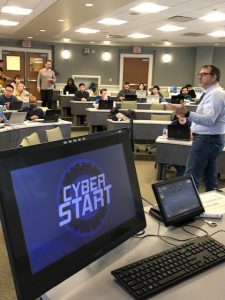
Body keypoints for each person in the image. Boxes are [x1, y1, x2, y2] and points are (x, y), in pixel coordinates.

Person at [167, 64, 225, 191]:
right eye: (199, 74)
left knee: (191, 178)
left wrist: (186, 114)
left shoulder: (215, 94)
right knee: (210, 178)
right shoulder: (211, 93)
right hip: (211, 139)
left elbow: (209, 120)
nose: (200, 77)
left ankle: (188, 208)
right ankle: (212, 207)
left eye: (204, 74)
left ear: (214, 77)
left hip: (206, 140)